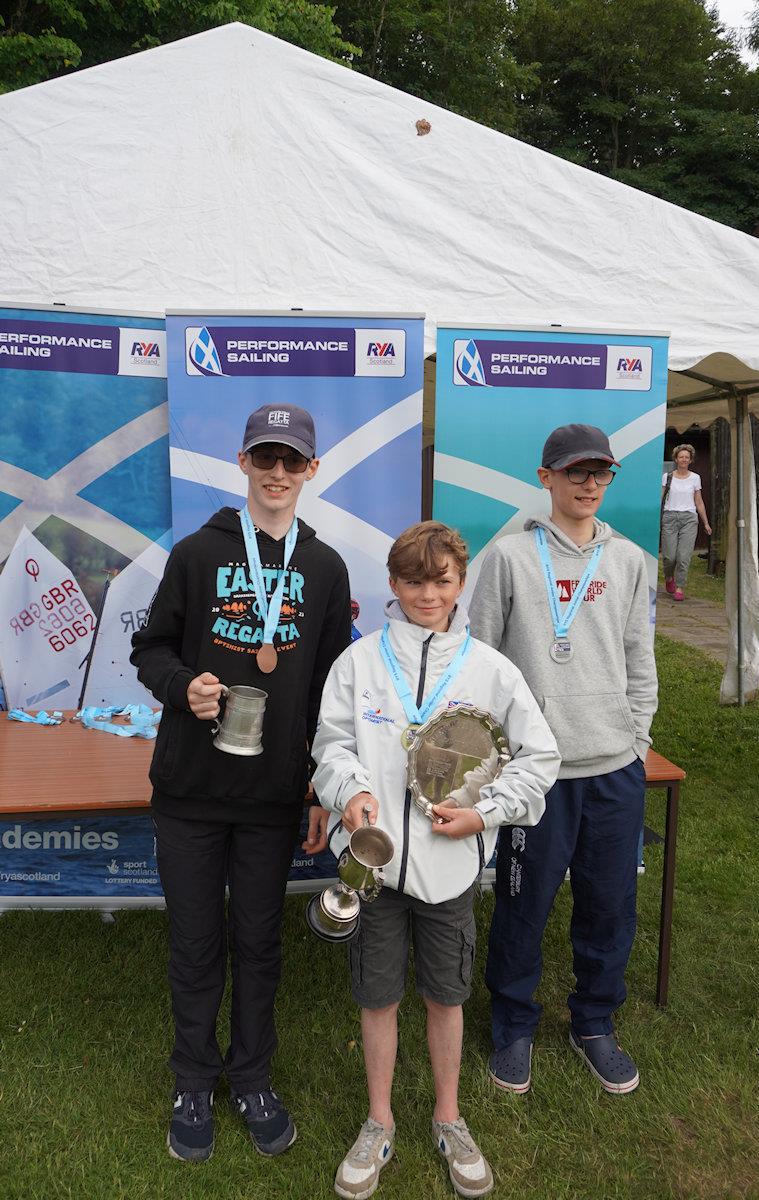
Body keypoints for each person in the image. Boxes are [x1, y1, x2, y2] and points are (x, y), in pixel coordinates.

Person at [312, 521, 560, 1200]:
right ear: (393, 585)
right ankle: (378, 1120)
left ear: (460, 583)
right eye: (415, 581)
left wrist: (486, 814)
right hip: (375, 872)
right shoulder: (359, 663)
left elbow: (540, 759)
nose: (428, 593)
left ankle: (449, 1117)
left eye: (442, 580)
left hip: (450, 872)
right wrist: (350, 791)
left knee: (447, 996)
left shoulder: (490, 669)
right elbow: (330, 742)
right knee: (377, 996)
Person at [131, 402, 351, 1163]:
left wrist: (320, 787)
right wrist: (182, 683)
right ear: (244, 463)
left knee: (259, 943)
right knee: (195, 944)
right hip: (189, 791)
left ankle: (252, 1075)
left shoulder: (324, 568)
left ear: (311, 470)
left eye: (292, 461)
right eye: (266, 458)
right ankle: (194, 1078)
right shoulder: (197, 553)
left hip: (271, 797)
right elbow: (150, 648)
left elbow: (330, 688)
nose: (279, 473)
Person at [469, 423, 658, 1097]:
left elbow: (641, 659)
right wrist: (500, 758)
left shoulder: (630, 560)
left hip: (613, 768)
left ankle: (595, 1021)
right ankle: (513, 1025)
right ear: (546, 477)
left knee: (609, 904)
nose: (588, 485)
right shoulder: (510, 558)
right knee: (525, 904)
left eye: (600, 474)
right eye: (575, 473)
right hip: (535, 776)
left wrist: (635, 738)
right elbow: (482, 660)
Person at [661, 443, 712, 602]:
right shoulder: (667, 477)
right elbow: (660, 498)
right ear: (676, 459)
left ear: (690, 460)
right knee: (670, 556)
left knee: (683, 556)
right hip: (670, 517)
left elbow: (699, 501)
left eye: (687, 457)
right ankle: (669, 578)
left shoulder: (695, 478)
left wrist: (705, 522)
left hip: (689, 519)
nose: (684, 459)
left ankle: (680, 587)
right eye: (681, 457)